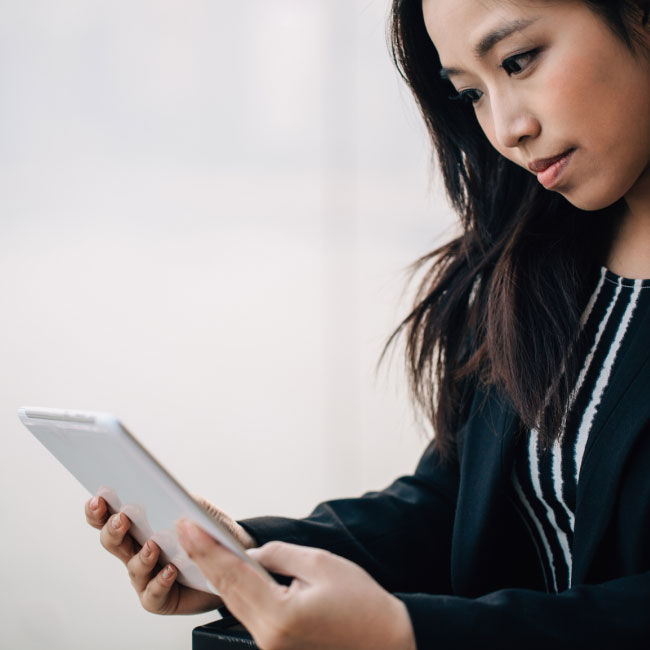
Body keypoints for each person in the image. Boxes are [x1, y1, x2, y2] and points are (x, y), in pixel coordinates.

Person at [85, 1, 650, 648]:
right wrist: (250, 561)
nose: (504, 127)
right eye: (468, 93)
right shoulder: (530, 259)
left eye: (518, 61)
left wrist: (407, 634)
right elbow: (456, 505)